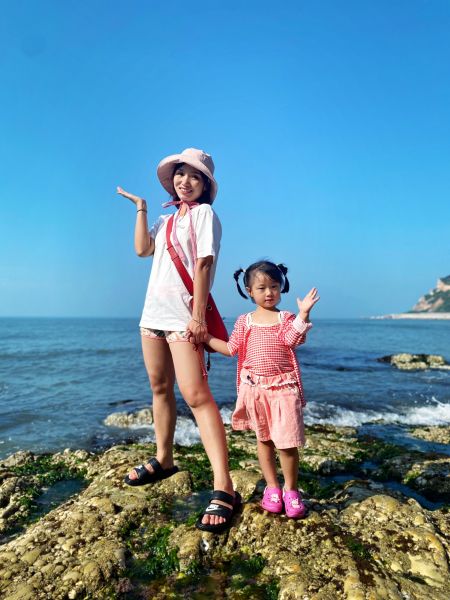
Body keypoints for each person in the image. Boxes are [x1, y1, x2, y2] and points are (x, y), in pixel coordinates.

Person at [116, 148, 240, 533]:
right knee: (159, 387)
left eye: (194, 176)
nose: (185, 181)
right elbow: (142, 250)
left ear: (205, 185)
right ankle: (164, 458)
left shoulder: (205, 216)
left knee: (197, 396)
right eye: (181, 174)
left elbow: (204, 264)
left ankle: (225, 486)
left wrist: (198, 317)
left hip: (184, 317)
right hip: (152, 314)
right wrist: (141, 208)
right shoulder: (167, 220)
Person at [204, 260, 319, 518]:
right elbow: (231, 349)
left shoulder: (285, 318)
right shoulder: (244, 321)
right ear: (249, 291)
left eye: (274, 286)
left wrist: (303, 314)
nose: (269, 292)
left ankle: (291, 490)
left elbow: (293, 339)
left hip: (283, 389)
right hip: (255, 389)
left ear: (281, 288)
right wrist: (206, 338)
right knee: (264, 440)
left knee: (287, 444)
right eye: (262, 288)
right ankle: (272, 488)